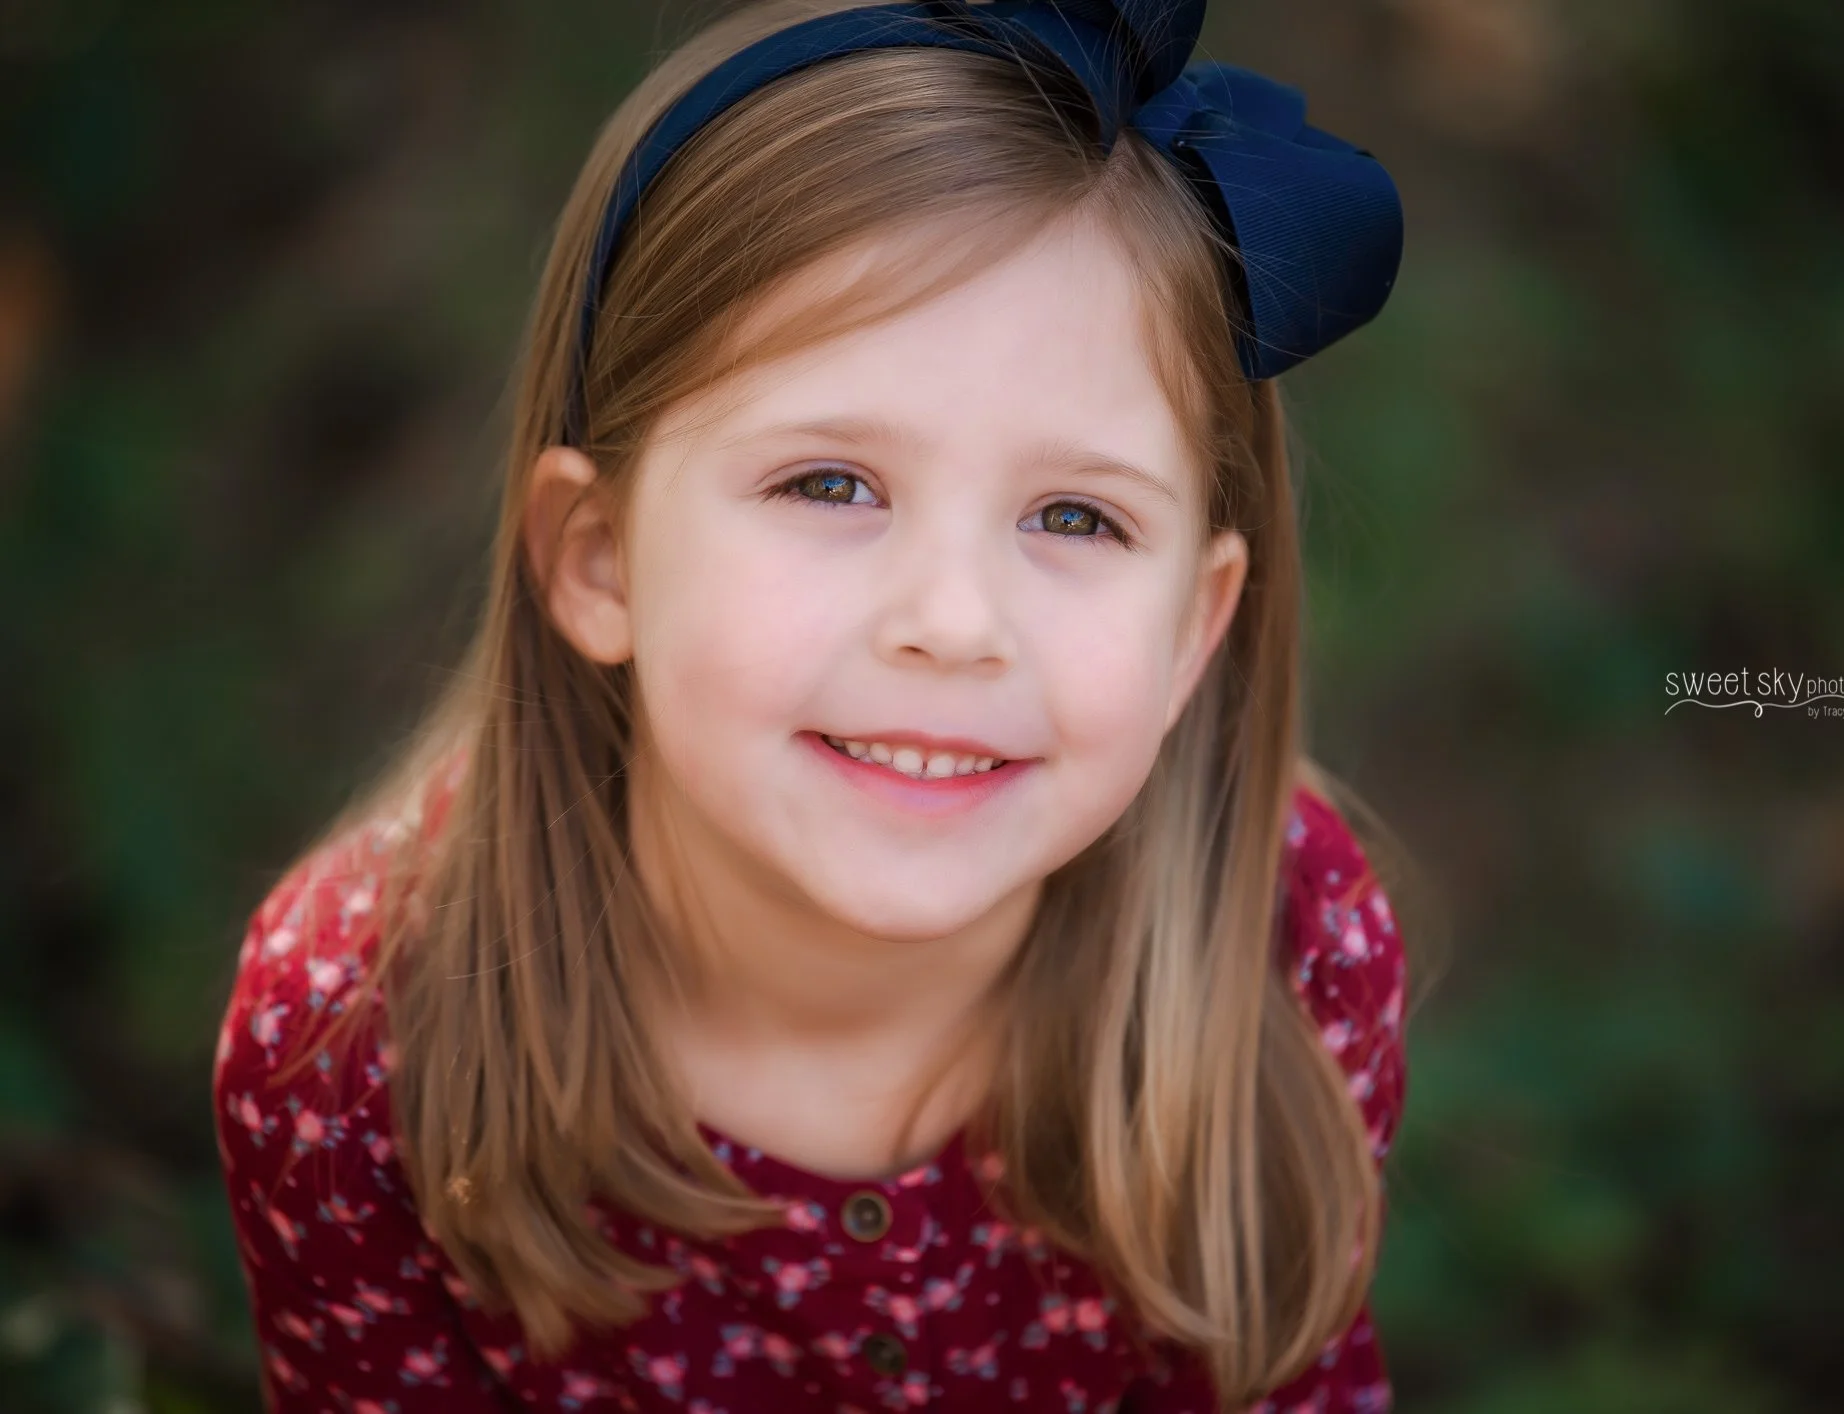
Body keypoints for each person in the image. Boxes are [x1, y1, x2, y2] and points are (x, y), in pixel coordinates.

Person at [210, 0, 1412, 1409]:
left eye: (1076, 514)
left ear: (1195, 627)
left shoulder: (1281, 939)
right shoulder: (353, 1039)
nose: (953, 622)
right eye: (830, 484)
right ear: (600, 560)